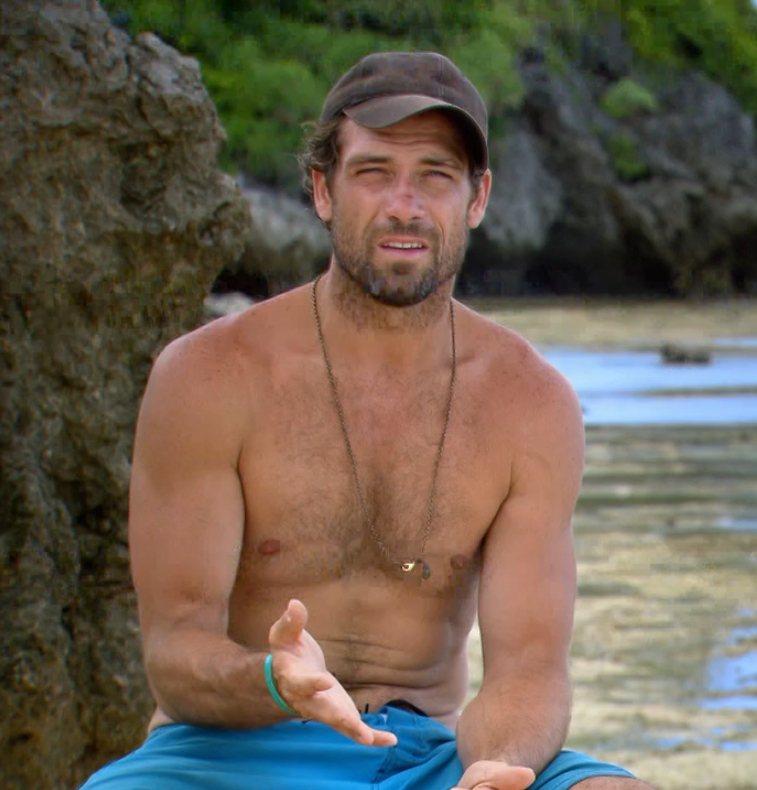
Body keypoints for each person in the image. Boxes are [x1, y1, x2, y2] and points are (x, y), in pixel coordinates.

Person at [80, 52, 653, 790]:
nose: (404, 205)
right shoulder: (210, 375)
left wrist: (496, 765)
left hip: (422, 754)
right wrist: (275, 681)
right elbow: (175, 650)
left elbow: (530, 668)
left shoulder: (529, 402)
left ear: (477, 198)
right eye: (374, 171)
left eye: (435, 175)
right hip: (225, 749)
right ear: (324, 189)